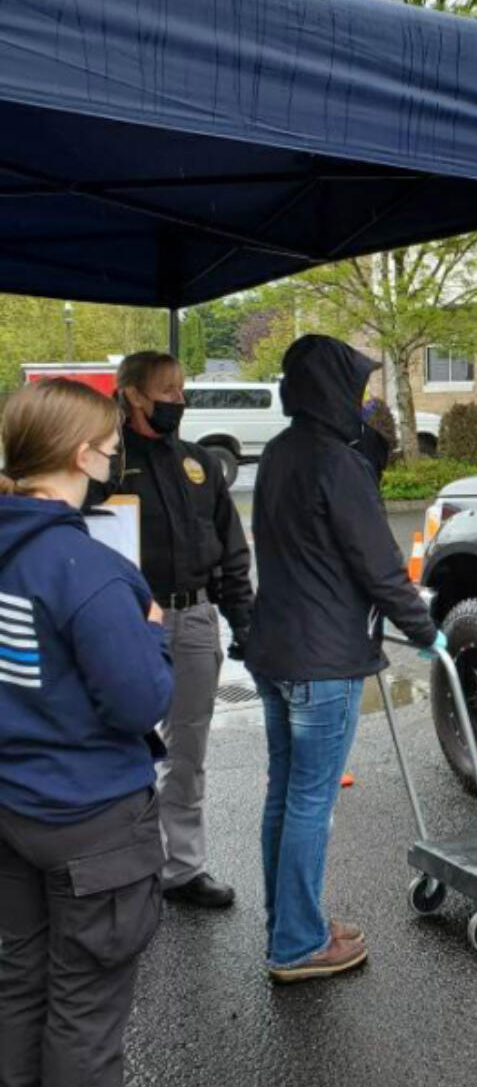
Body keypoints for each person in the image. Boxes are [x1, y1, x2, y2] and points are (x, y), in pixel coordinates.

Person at [0, 381, 178, 1087]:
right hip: (90, 820)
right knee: (83, 1008)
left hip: (13, 806)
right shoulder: (88, 568)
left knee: (20, 991)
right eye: (109, 445)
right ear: (79, 456)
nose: (115, 458)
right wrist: (151, 630)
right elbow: (141, 697)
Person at [245, 335, 442, 983]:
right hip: (321, 659)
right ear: (333, 388)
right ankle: (297, 943)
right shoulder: (336, 461)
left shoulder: (278, 452)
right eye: (355, 388)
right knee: (310, 799)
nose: (362, 401)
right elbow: (381, 566)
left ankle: (289, 922)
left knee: (286, 792)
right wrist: (426, 631)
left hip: (274, 647)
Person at [115, 352, 253, 909]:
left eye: (181, 388)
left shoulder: (199, 463)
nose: (180, 399)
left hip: (196, 618)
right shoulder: (106, 464)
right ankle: (124, 871)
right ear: (132, 396)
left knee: (187, 750)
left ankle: (183, 868)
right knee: (122, 748)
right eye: (166, 390)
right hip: (126, 623)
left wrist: (242, 619)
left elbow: (231, 550)